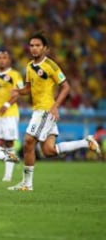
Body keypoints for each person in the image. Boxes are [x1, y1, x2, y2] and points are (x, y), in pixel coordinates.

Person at [8, 33, 101, 191]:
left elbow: (66, 87)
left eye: (37, 45)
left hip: (46, 110)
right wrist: (18, 91)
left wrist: (55, 105)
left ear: (45, 48)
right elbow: (29, 88)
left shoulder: (51, 65)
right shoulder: (30, 66)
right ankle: (86, 143)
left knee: (28, 142)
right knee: (48, 151)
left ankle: (27, 184)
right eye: (31, 45)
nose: (34, 48)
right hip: (38, 110)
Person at [0, 50, 24, 182]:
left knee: (9, 142)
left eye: (4, 57)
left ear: (9, 60)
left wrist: (7, 105)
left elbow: (18, 92)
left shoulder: (15, 75)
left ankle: (8, 175)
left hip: (10, 112)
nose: (1, 60)